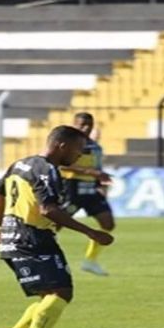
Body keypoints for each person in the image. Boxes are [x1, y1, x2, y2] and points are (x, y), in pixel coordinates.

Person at [0, 125, 115, 328]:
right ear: (62, 146)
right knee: (61, 292)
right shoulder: (47, 171)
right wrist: (90, 232)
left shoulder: (21, 164)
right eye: (77, 149)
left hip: (14, 239)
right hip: (33, 238)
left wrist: (2, 225)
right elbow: (49, 209)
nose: (79, 155)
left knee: (49, 294)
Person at [59, 113, 116, 276]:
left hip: (91, 190)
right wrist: (88, 171)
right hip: (71, 189)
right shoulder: (67, 144)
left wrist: (101, 181)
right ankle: (48, 259)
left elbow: (97, 168)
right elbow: (60, 166)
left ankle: (90, 261)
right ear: (74, 124)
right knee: (55, 226)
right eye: (82, 124)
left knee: (108, 224)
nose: (86, 128)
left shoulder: (95, 147)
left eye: (89, 125)